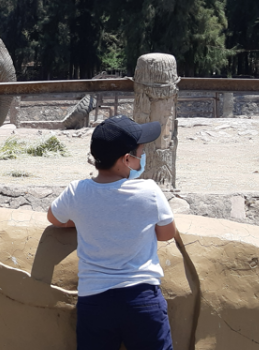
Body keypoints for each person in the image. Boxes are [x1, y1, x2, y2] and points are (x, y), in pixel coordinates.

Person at [48, 115, 177, 350]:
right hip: (142, 299)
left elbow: (55, 218)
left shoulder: (76, 192)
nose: (142, 158)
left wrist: (83, 219)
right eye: (140, 153)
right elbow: (167, 233)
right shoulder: (148, 190)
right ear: (126, 159)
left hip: (94, 303)